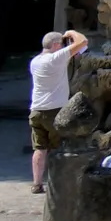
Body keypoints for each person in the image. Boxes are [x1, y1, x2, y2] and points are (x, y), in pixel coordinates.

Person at [28, 29, 88, 193]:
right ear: (55, 45)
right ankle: (56, 183)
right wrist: (71, 33)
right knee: (57, 148)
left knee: (39, 148)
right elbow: (83, 42)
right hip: (54, 111)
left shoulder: (35, 61)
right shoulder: (56, 58)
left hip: (36, 110)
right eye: (60, 44)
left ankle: (37, 183)